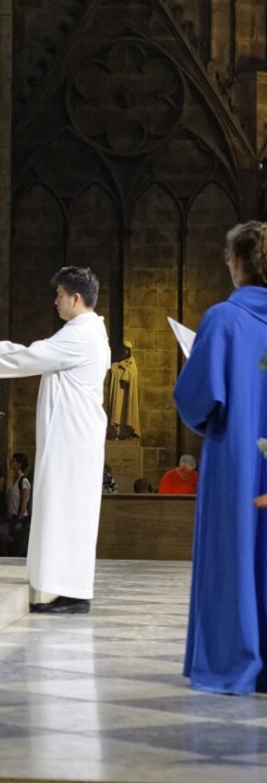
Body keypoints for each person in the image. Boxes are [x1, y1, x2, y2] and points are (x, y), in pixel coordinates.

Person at [0, 266, 111, 614]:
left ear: (75, 298)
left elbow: (33, 355)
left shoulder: (81, 333)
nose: (55, 301)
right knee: (61, 508)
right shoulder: (86, 331)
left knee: (65, 509)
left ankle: (70, 592)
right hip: (71, 437)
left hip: (72, 439)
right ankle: (60, 588)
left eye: (59, 295)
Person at [174, 220, 267, 694]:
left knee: (234, 554)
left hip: (238, 464)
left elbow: (196, 399)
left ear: (236, 263)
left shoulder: (224, 320)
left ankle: (235, 661)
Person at [7, 452, 32, 556]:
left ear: (19, 464)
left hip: (20, 517)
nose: (11, 463)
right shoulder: (15, 479)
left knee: (19, 545)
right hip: (14, 516)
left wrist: (19, 519)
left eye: (13, 461)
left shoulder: (23, 481)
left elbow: (24, 501)